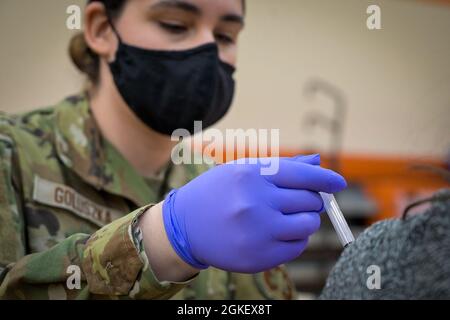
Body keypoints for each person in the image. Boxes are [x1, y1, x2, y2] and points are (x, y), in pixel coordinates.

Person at [0, 0, 347, 299]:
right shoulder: (12, 155)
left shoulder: (221, 191)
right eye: (175, 25)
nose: (207, 50)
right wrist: (159, 241)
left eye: (225, 35)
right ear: (102, 29)